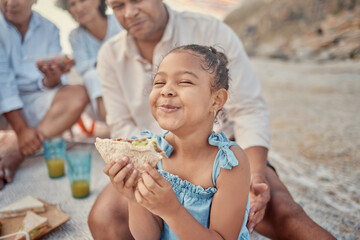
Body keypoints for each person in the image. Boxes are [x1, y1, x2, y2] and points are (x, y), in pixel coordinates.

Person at [88, 0, 335, 239]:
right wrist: (137, 188)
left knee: (284, 212)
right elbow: (121, 125)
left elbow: (249, 108)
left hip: (220, 146)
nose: (129, 13)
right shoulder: (109, 55)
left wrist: (256, 174)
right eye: (118, 6)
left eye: (136, 0)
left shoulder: (210, 29)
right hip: (157, 151)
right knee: (103, 218)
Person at [104, 44, 251, 239]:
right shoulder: (151, 153)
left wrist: (172, 211)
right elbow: (148, 237)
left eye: (184, 82)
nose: (166, 91)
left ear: (215, 100)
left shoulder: (229, 163)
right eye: (159, 83)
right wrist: (134, 198)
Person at [0, 0, 89, 189]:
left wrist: (52, 78)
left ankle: (19, 151)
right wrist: (21, 129)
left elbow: (51, 85)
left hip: (36, 101)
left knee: (78, 93)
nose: (9, 3)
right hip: (3, 104)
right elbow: (4, 83)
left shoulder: (50, 28)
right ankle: (25, 139)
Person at [56, 0, 123, 121]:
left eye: (82, 0)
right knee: (91, 76)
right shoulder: (75, 36)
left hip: (126, 75)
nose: (78, 8)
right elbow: (82, 67)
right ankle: (114, 125)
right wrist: (103, 62)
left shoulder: (118, 21)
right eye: (72, 4)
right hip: (99, 88)